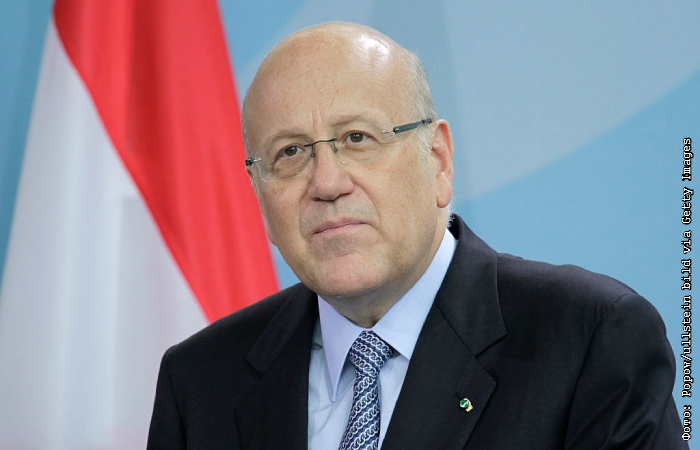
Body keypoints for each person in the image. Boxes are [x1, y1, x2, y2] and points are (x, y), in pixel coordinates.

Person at [147, 22, 686, 449]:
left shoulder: (589, 340)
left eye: (357, 138)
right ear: (260, 194)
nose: (327, 183)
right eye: (289, 152)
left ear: (438, 160)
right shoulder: (199, 381)